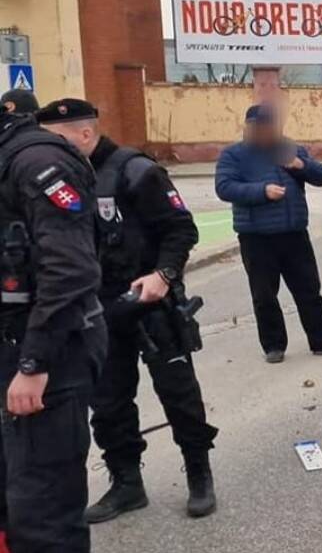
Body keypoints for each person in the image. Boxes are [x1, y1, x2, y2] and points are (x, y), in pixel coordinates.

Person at [38, 99, 219, 523]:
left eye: (56, 140)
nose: (49, 151)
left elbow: (181, 229)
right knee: (108, 402)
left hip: (151, 304)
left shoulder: (136, 171)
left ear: (85, 133)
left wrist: (163, 275)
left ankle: (199, 473)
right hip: (99, 310)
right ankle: (126, 484)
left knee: (179, 395)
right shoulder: (60, 180)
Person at [0, 101, 106, 553]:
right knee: (16, 508)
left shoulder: (37, 162)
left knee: (42, 515)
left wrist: (34, 364)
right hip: (14, 353)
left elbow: (71, 272)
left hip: (47, 357)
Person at [215, 105, 322, 363]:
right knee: (265, 294)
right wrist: (262, 191)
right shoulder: (234, 155)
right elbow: (224, 187)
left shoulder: (290, 148)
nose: (267, 133)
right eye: (261, 129)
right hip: (256, 237)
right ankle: (274, 346)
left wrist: (301, 165)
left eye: (271, 128)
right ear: (250, 128)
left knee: (309, 290)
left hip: (294, 234)